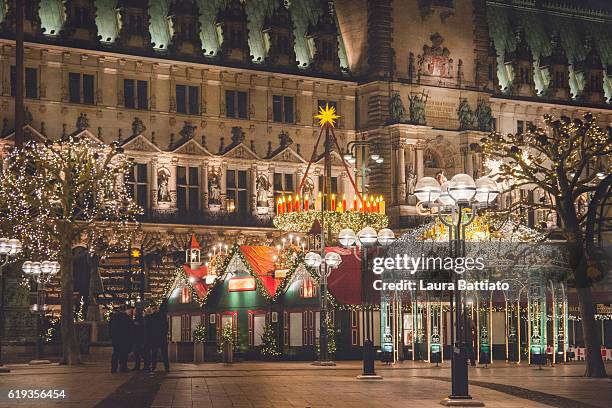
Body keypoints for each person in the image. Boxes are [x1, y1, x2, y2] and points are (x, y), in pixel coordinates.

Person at [146, 302, 170, 372]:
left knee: (154, 354)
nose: (153, 310)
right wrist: (164, 334)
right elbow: (166, 327)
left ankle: (153, 367)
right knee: (164, 354)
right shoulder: (162, 316)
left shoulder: (150, 317)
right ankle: (166, 367)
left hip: (154, 338)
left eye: (154, 308)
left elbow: (148, 328)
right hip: (162, 338)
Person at [109, 304, 133, 373]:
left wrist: (112, 336)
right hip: (124, 338)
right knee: (124, 353)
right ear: (125, 309)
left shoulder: (114, 318)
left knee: (115, 353)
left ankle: (113, 368)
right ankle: (123, 367)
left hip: (116, 338)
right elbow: (130, 329)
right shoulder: (127, 318)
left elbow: (111, 328)